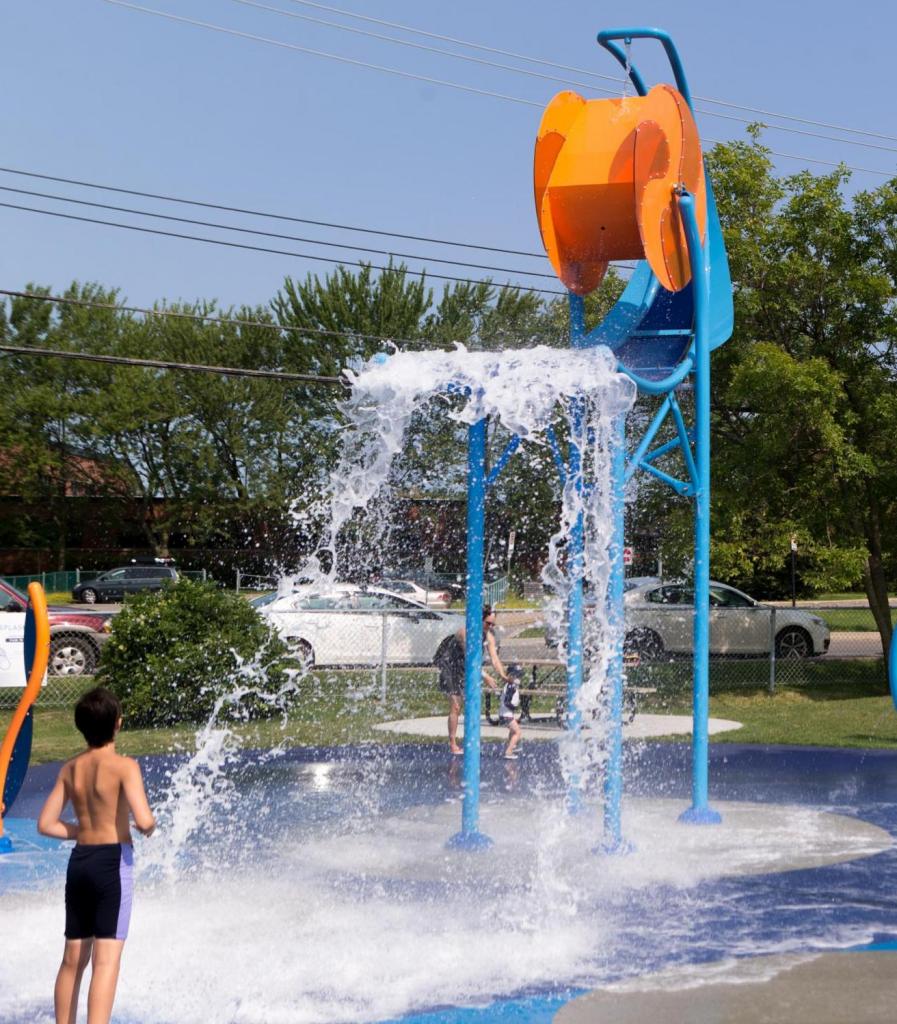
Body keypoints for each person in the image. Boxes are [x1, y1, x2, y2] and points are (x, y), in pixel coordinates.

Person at [37, 686, 156, 1024]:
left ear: (80, 727)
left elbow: (46, 824)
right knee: (106, 960)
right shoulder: (125, 767)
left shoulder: (70, 769)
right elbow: (144, 820)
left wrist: (81, 831)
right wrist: (147, 826)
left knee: (73, 957)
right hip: (111, 865)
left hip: (80, 864)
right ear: (118, 724)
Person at [498, 664, 523, 759]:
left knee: (513, 731)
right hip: (506, 714)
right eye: (517, 676)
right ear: (511, 676)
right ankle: (509, 751)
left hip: (505, 714)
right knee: (517, 732)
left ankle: (513, 746)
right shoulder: (511, 686)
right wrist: (513, 707)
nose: (519, 678)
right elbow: (507, 701)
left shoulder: (510, 685)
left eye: (520, 676)